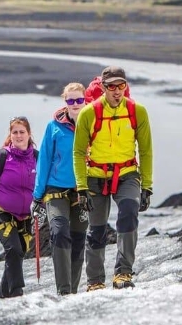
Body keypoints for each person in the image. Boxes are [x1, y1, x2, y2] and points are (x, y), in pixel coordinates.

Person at [73, 66, 153, 291]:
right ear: (103, 88)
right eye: (111, 86)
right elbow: (78, 153)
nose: (117, 91)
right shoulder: (89, 113)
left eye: (121, 86)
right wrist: (81, 188)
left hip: (127, 173)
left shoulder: (138, 112)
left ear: (126, 87)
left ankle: (123, 273)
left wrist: (146, 186)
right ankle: (95, 281)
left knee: (129, 212)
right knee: (97, 229)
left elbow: (146, 150)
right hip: (95, 177)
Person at [32, 82, 89, 296]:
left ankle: (72, 290)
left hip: (83, 191)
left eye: (79, 100)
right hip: (56, 190)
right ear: (65, 102)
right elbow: (44, 160)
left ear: (85, 100)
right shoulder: (53, 127)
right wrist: (37, 196)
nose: (75, 104)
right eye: (70, 100)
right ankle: (63, 290)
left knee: (78, 240)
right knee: (59, 233)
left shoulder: (92, 123)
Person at [0, 117, 38, 298]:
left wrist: (41, 205)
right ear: (10, 135)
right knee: (13, 249)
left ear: (29, 134)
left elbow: (42, 185)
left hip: (26, 217)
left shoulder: (37, 157)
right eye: (15, 132)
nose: (18, 136)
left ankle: (4, 295)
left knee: (17, 255)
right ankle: (17, 291)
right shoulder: (2, 157)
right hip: (1, 214)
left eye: (22, 132)